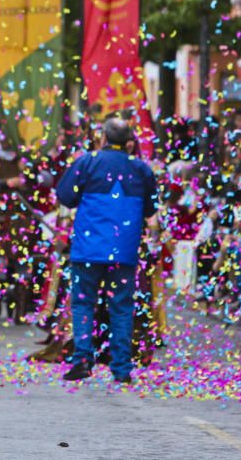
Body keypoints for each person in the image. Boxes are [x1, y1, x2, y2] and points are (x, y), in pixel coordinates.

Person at [56, 116, 157, 383]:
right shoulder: (142, 169)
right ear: (130, 143)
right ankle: (121, 368)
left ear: (103, 138)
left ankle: (82, 360)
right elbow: (150, 208)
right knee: (122, 307)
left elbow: (65, 195)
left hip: (88, 249)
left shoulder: (87, 162)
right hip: (124, 251)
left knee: (83, 304)